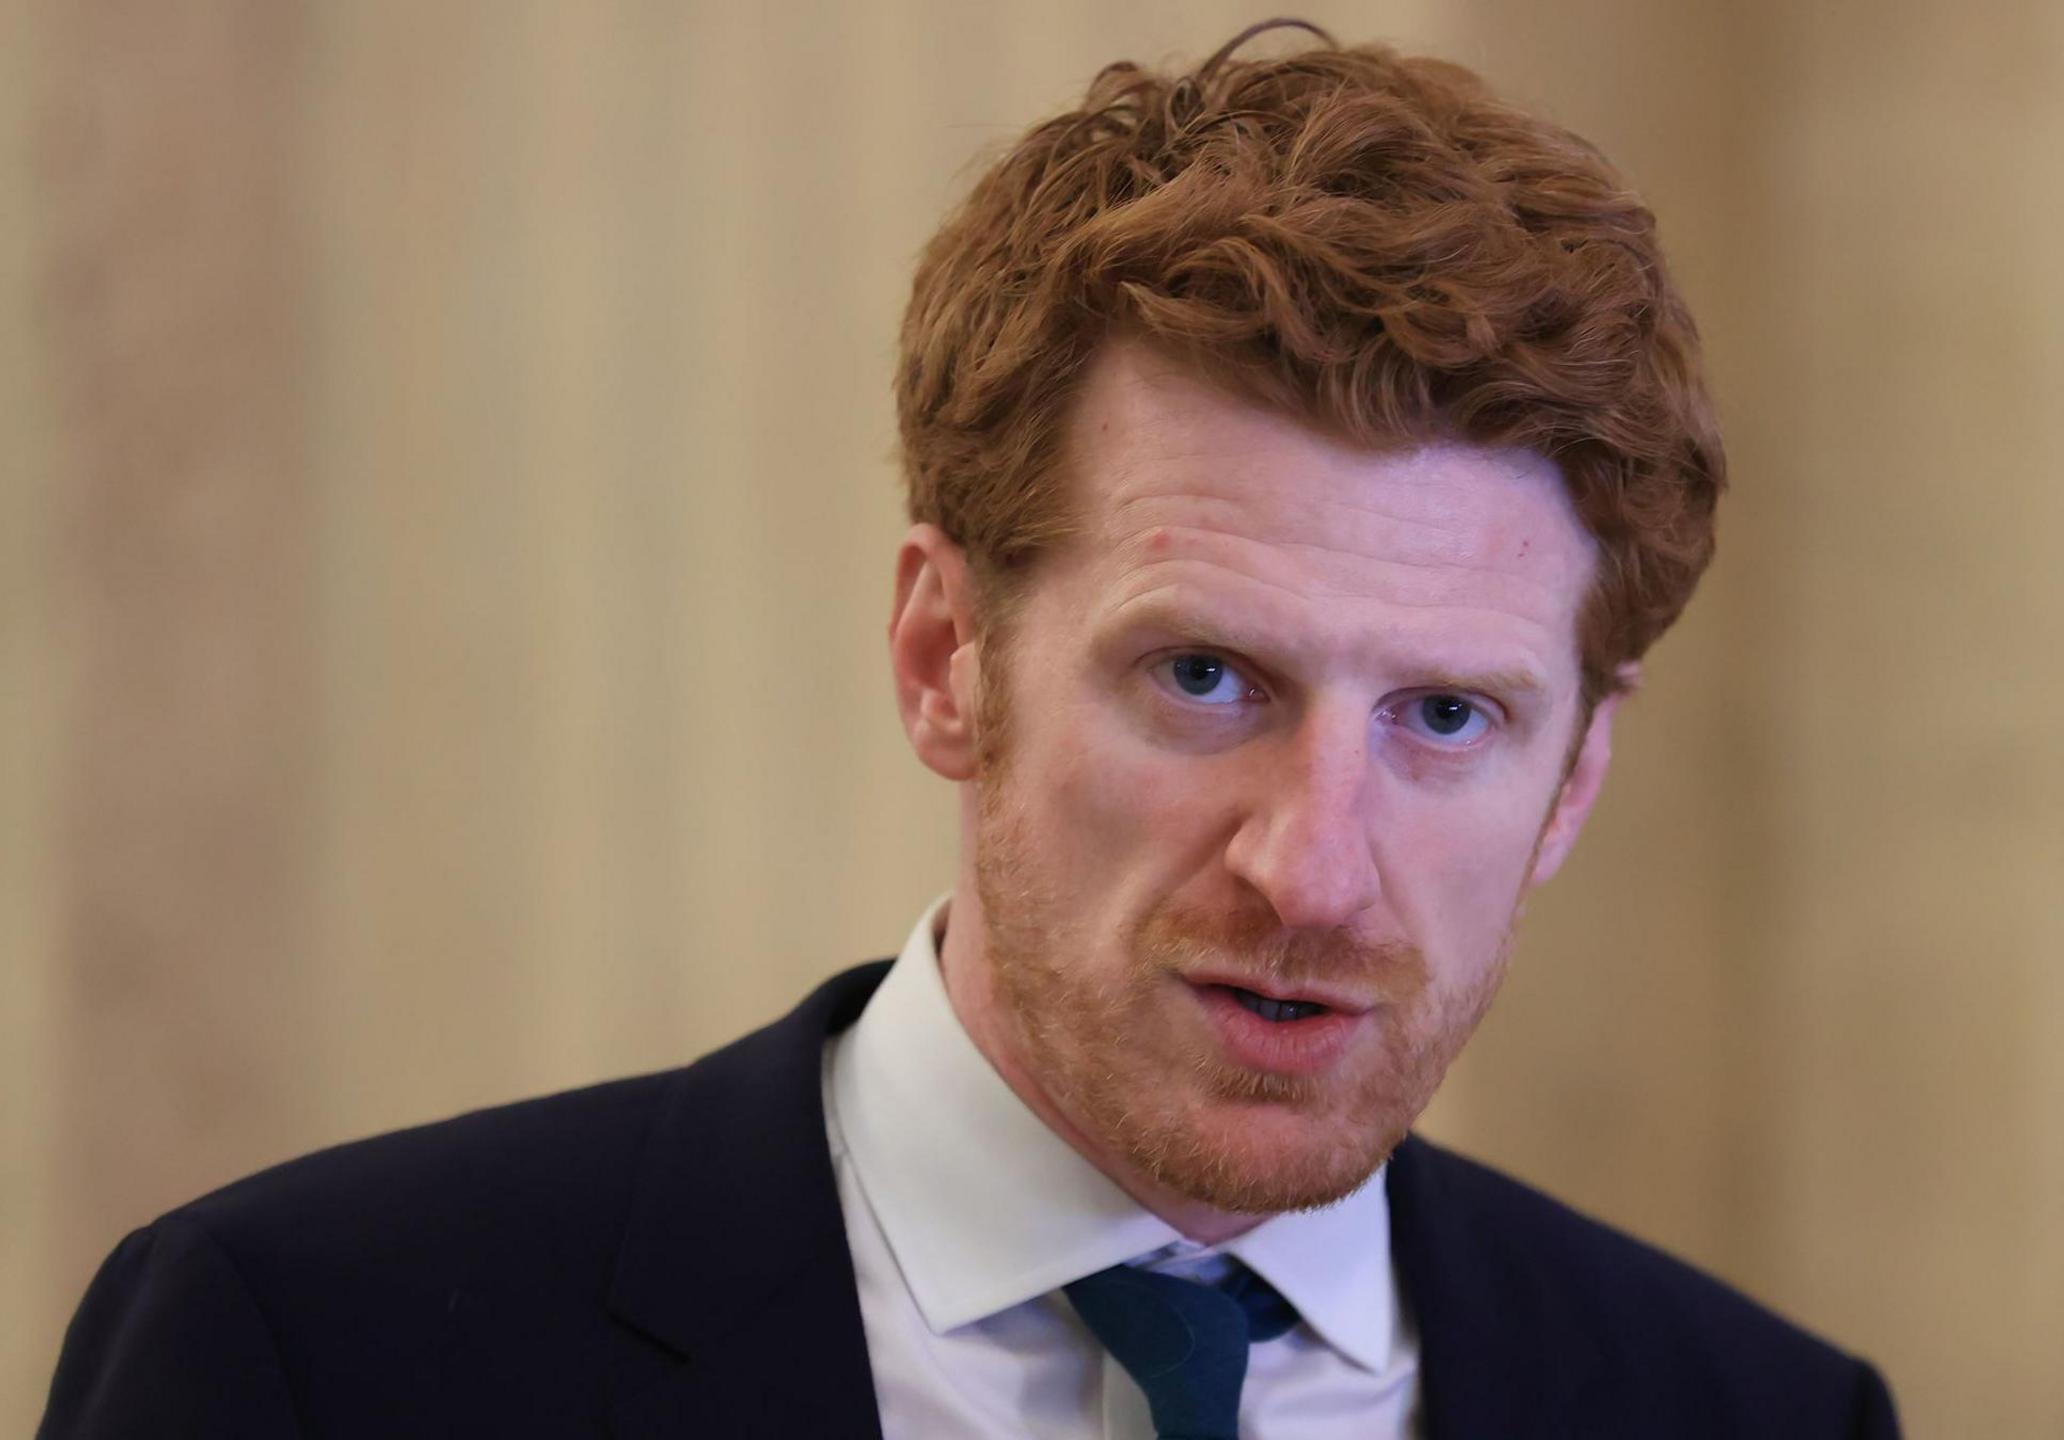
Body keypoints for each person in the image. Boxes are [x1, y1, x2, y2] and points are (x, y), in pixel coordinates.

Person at [42, 21, 1899, 1439]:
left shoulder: (1753, 1416)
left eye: (1445, 716)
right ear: (947, 657)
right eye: (1204, 678)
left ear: (1575, 773)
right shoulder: (305, 1353)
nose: (1316, 868)